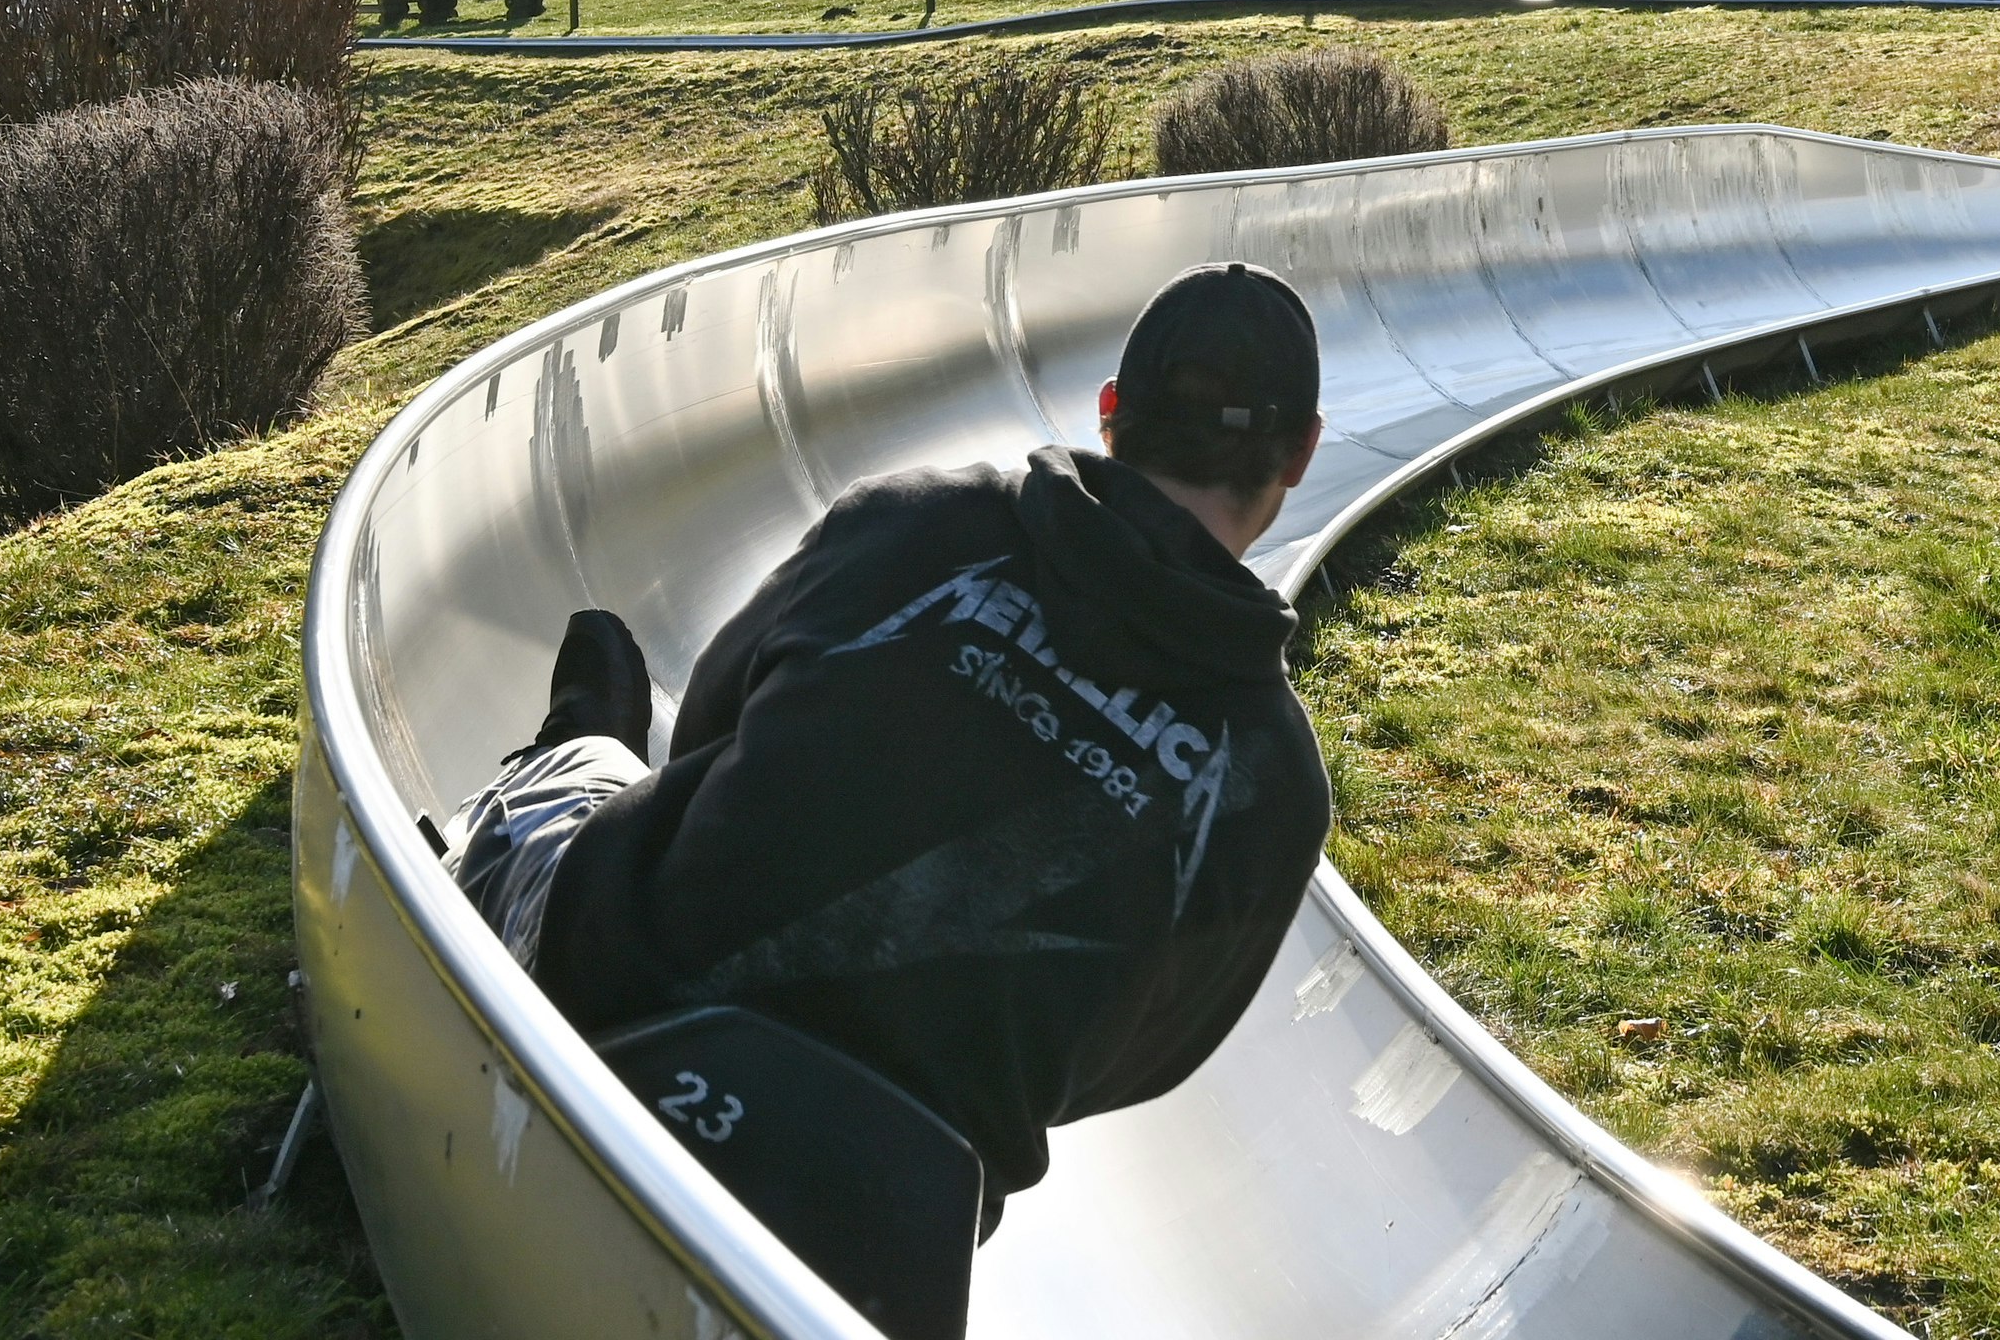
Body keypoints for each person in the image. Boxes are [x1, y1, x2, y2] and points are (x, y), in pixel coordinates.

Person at [447, 262, 1336, 1213]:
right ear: (1301, 454)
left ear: (1112, 411)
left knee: (585, 779)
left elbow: (710, 719)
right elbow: (1141, 1057)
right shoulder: (1277, 782)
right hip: (895, 1181)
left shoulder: (916, 517)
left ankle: (576, 747)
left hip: (614, 982)